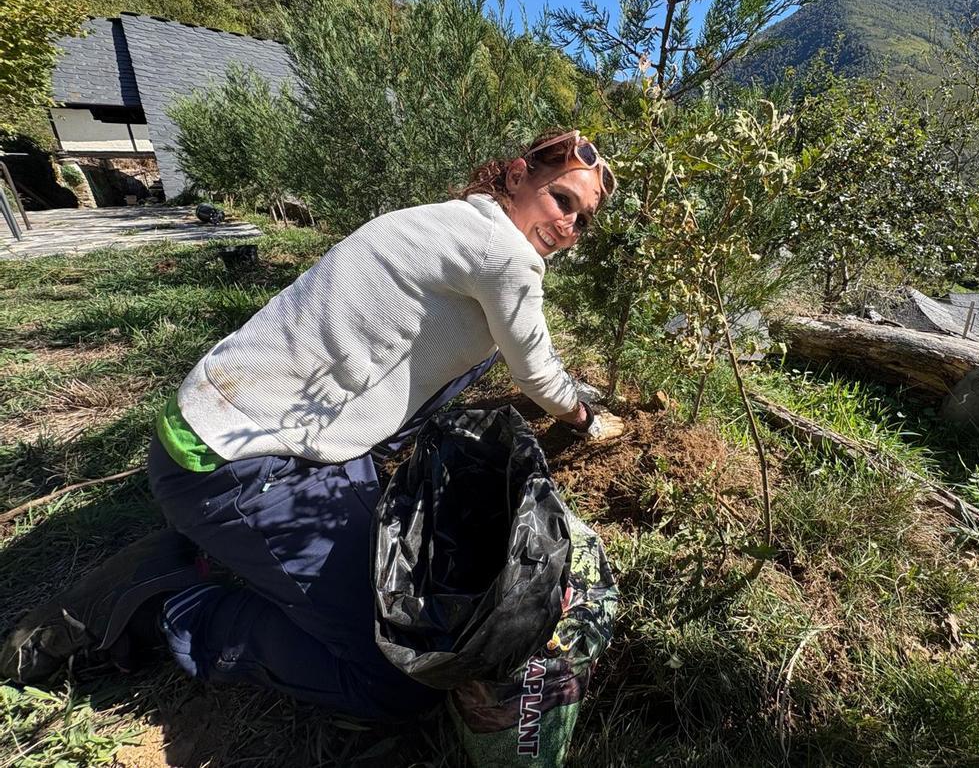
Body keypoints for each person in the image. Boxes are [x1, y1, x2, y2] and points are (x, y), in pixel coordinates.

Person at [1, 129, 625, 723]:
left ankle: (218, 556)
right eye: (561, 199)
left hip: (246, 434)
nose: (569, 225)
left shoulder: (447, 219)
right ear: (518, 176)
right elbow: (537, 372)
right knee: (399, 679)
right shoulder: (506, 254)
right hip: (239, 467)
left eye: (583, 219)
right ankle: (175, 610)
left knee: (388, 580)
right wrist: (588, 417)